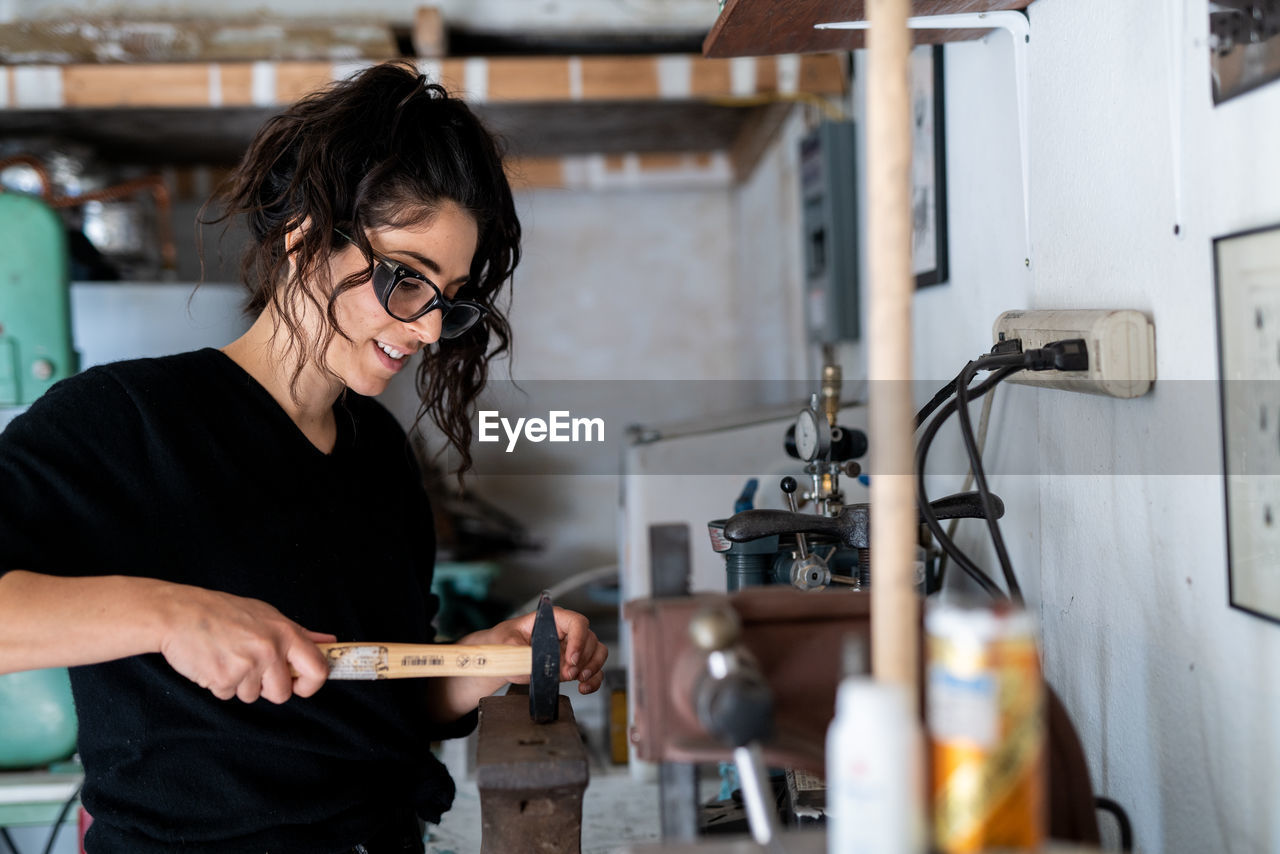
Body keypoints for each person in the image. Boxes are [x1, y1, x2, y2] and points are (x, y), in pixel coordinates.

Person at [0, 61, 607, 853]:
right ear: (306, 238)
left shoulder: (379, 456)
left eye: (449, 297)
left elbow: (379, 702)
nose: (428, 329)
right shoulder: (126, 421)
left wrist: (485, 658)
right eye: (406, 280)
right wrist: (173, 614)